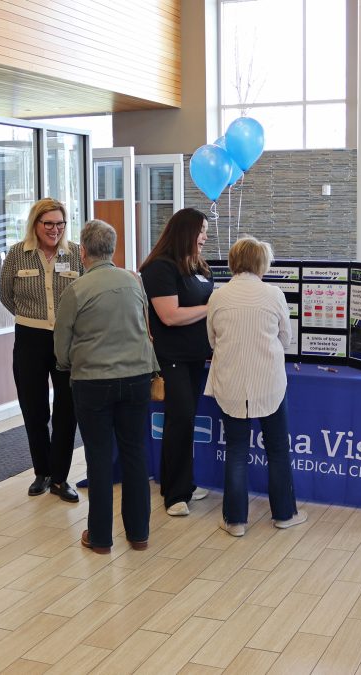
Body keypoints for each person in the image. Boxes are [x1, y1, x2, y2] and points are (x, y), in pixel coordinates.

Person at [53, 219, 158, 553]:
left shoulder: (76, 290)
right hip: (138, 377)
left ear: (82, 251)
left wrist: (69, 364)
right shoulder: (133, 282)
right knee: (134, 454)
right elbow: (144, 325)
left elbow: (61, 346)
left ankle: (99, 537)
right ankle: (139, 533)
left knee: (98, 458)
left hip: (93, 381)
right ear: (112, 249)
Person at [205, 236, 304, 536]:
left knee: (235, 449)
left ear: (234, 262)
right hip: (269, 383)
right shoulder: (273, 295)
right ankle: (284, 514)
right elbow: (286, 339)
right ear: (261, 263)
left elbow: (212, 340)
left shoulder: (217, 297)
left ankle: (235, 521)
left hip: (230, 383)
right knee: (277, 449)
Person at [0, 198, 83, 501]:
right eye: (48, 223)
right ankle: (42, 472)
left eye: (60, 223)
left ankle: (60, 478)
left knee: (66, 409)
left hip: (67, 338)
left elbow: (84, 292)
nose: (55, 229)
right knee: (34, 409)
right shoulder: (17, 255)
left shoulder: (75, 255)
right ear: (35, 224)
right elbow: (6, 295)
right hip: (30, 338)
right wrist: (30, 317)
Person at [140, 208, 214, 517]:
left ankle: (181, 482)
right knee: (179, 421)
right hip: (172, 359)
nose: (205, 237)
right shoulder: (160, 268)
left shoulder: (196, 265)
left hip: (196, 356)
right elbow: (169, 316)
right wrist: (211, 307)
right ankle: (175, 494)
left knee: (184, 421)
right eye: (201, 231)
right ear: (185, 232)